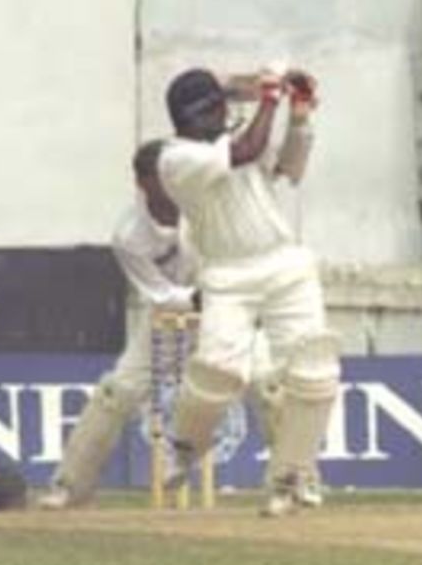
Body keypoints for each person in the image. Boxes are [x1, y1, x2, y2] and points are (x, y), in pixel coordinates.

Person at [39, 142, 313, 511]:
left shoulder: (202, 204)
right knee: (116, 392)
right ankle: (70, 487)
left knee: (269, 386)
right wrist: (196, 297)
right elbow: (159, 293)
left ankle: (293, 482)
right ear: (141, 182)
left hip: (226, 308)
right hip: (166, 316)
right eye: (160, 177)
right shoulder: (129, 234)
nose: (171, 183)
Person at [156, 65, 338, 518]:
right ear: (194, 115)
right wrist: (269, 97)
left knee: (313, 368)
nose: (226, 111)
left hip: (284, 263)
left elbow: (290, 168)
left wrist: (298, 117)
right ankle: (186, 447)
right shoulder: (175, 159)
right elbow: (246, 149)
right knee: (218, 372)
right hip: (227, 275)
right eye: (217, 106)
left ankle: (292, 476)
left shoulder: (233, 137)